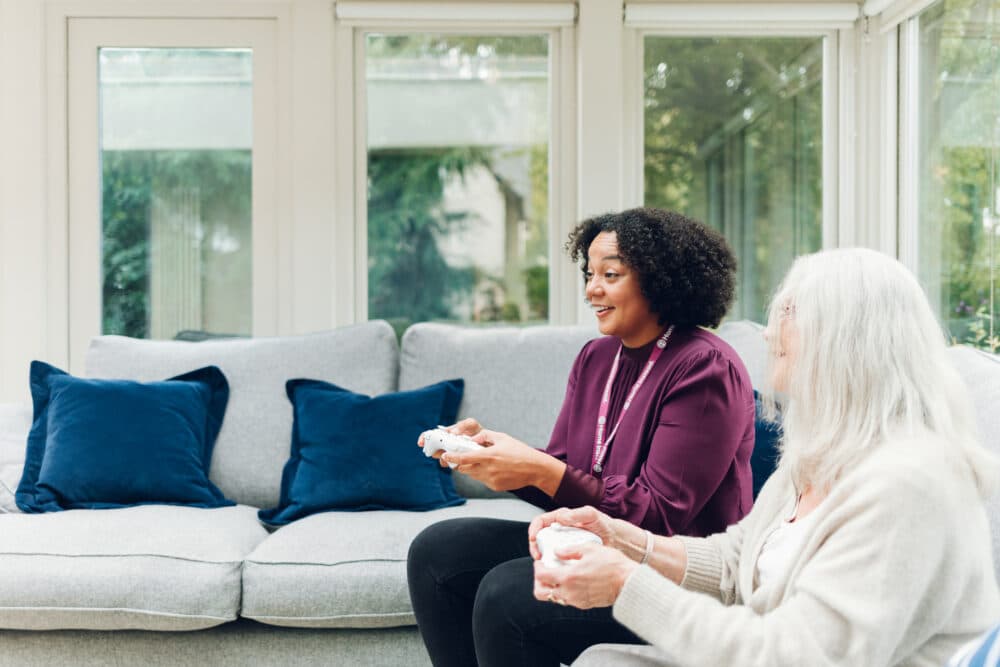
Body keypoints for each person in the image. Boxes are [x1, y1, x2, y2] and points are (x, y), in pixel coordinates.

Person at [529, 248, 1000, 667]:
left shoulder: (909, 485)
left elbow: (798, 655)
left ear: (852, 338)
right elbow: (736, 563)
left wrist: (625, 584)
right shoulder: (823, 459)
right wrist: (619, 539)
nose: (772, 329)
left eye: (792, 310)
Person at [407, 207, 757, 667]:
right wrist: (497, 459)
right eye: (590, 273)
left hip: (676, 573)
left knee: (507, 594)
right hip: (599, 543)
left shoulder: (706, 367)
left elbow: (658, 516)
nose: (593, 289)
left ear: (659, 277)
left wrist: (542, 470)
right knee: (439, 553)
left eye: (610, 274)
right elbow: (567, 475)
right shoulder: (596, 357)